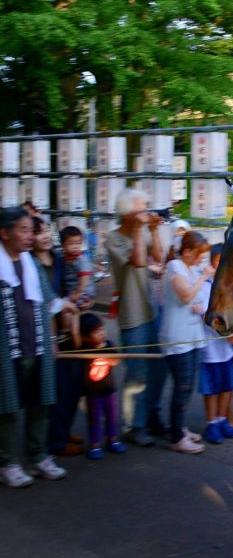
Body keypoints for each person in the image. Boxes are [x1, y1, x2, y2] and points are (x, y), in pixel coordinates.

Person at [0, 206, 67, 487]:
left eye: (31, 230)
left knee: (41, 402)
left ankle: (39, 456)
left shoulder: (32, 264)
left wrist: (52, 340)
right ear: (4, 233)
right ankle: (8, 463)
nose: (30, 236)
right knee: (8, 408)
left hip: (37, 345)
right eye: (23, 230)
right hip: (7, 349)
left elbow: (49, 304)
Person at [105, 188, 167, 447]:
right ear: (127, 214)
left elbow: (159, 256)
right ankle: (133, 425)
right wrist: (140, 230)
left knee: (159, 369)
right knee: (137, 373)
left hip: (151, 309)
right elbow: (140, 261)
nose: (145, 213)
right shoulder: (113, 239)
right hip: (132, 314)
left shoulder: (140, 231)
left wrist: (152, 229)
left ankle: (150, 414)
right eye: (141, 209)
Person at [31, 217, 85, 456]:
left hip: (66, 329)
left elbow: (71, 288)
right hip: (47, 334)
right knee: (54, 392)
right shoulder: (31, 264)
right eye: (38, 232)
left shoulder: (58, 260)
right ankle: (55, 442)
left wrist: (79, 299)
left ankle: (63, 431)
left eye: (46, 231)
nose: (44, 236)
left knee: (72, 387)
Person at [159, 230, 212, 454]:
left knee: (188, 386)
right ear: (187, 251)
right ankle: (177, 437)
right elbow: (186, 296)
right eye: (200, 253)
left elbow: (197, 301)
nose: (202, 258)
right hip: (177, 336)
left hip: (193, 336)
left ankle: (179, 428)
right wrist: (202, 277)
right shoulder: (175, 266)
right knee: (182, 386)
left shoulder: (191, 268)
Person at [197, 244, 233, 443]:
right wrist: (227, 334)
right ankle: (211, 423)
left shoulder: (231, 286)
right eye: (219, 262)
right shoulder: (206, 286)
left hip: (227, 349)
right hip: (211, 349)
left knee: (227, 385)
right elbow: (207, 316)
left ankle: (223, 419)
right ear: (212, 262)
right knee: (212, 388)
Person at [80, 313, 127, 460]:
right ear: (86, 337)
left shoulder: (109, 345)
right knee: (95, 419)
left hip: (110, 390)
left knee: (112, 417)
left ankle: (113, 440)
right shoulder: (84, 348)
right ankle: (95, 445)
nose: (101, 334)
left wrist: (106, 355)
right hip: (93, 393)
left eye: (102, 330)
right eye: (96, 332)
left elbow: (115, 362)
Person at [58, 225, 95, 311]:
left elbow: (84, 278)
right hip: (72, 292)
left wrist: (78, 293)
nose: (75, 246)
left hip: (83, 293)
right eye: (71, 244)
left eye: (78, 243)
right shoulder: (63, 257)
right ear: (63, 245)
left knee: (66, 309)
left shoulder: (81, 259)